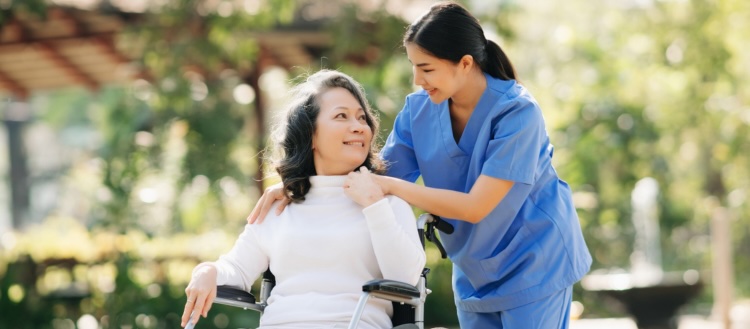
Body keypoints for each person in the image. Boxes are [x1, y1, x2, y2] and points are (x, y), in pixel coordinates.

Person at [248, 2, 592, 328]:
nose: (417, 79)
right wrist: (300, 186)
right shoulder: (419, 111)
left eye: (426, 68)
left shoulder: (518, 113)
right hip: (474, 267)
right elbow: (375, 177)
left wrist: (392, 188)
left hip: (536, 261)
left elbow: (475, 207)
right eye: (413, 66)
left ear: (466, 64)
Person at [181, 70, 426, 329]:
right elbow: (237, 269)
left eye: (362, 118)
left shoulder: (388, 205)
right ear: (310, 135)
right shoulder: (280, 207)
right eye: (341, 116)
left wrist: (374, 205)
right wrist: (206, 271)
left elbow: (406, 280)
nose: (358, 126)